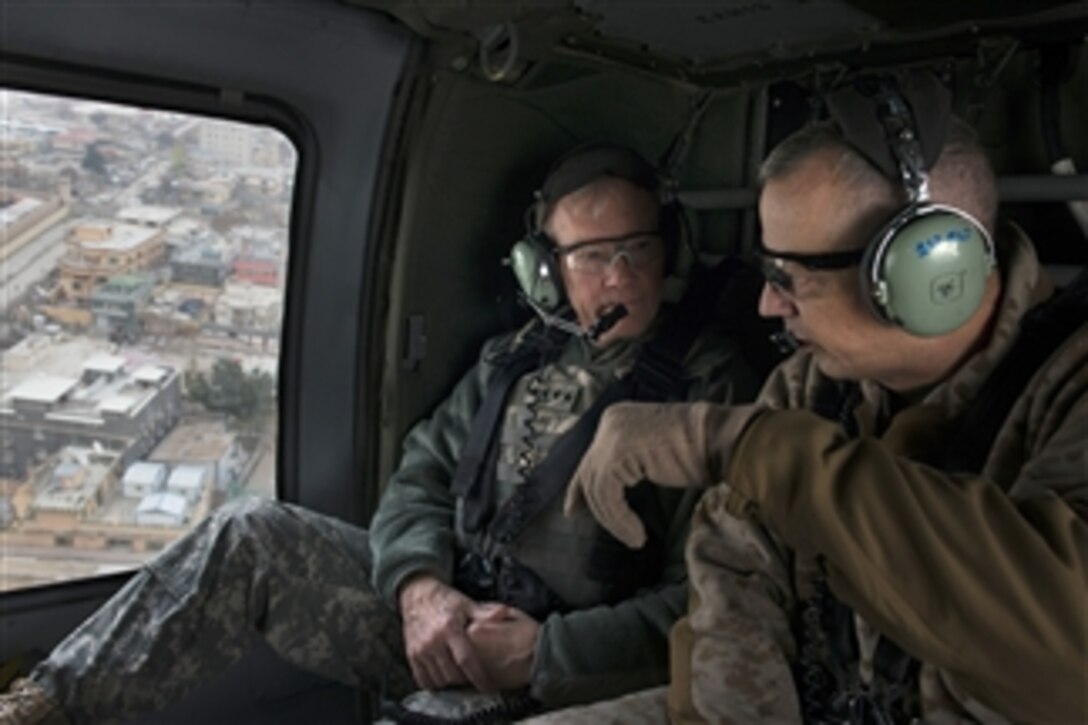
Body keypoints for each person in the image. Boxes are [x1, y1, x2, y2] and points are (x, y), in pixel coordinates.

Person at [0, 144, 758, 724]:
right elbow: (421, 476)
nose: (620, 278)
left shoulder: (715, 391)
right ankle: (49, 705)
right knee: (251, 532)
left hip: (573, 676)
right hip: (443, 622)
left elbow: (713, 601)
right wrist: (420, 587)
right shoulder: (513, 357)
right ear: (549, 271)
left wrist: (544, 652)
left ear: (672, 248)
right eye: (592, 257)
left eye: (638, 249)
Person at [548, 76, 1087, 724]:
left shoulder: (1070, 385)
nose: (767, 304)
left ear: (926, 273)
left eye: (790, 277)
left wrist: (737, 445)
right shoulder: (809, 387)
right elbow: (732, 598)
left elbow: (1065, 655)